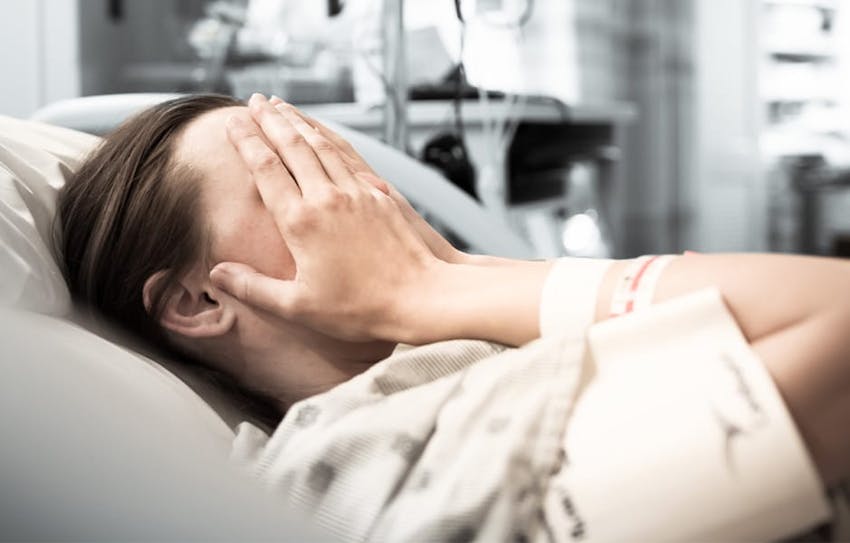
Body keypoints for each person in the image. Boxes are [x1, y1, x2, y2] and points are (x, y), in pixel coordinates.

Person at [57, 92, 849, 540]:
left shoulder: (467, 353)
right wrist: (432, 287)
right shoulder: (375, 469)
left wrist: (456, 277)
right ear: (199, 302)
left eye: (337, 160)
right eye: (294, 179)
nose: (356, 197)